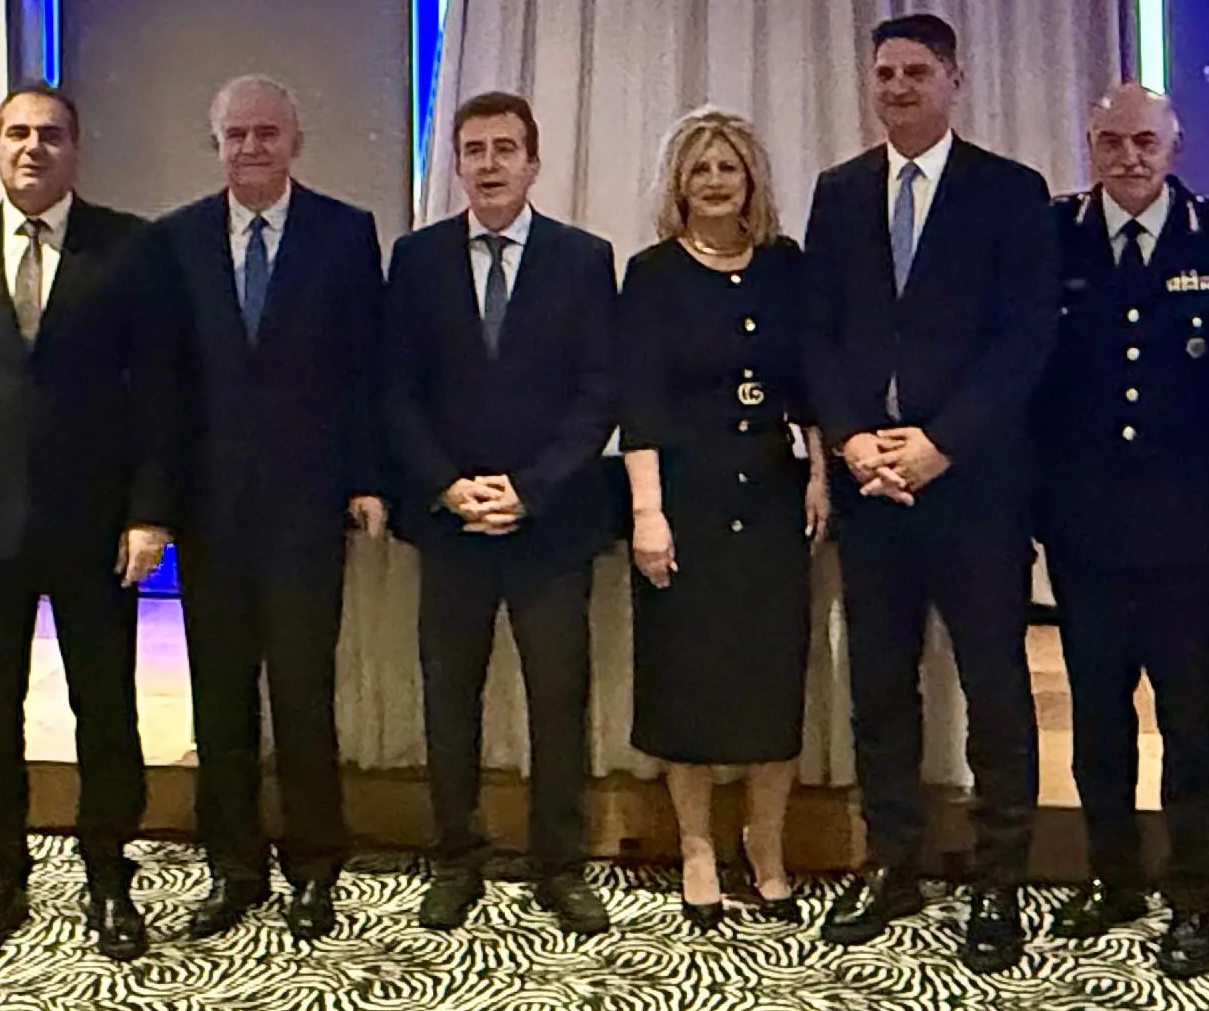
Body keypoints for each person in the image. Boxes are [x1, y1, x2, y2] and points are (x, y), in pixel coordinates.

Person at [0, 82, 180, 964]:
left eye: (50, 135)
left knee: (107, 709)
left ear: (75, 150)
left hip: (96, 526)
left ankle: (108, 872)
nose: (32, 148)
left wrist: (150, 513)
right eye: (16, 134)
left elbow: (161, 391)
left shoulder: (129, 246)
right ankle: (0, 875)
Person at [800, 12, 1057, 972]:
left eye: (917, 71)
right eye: (885, 73)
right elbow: (816, 333)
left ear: (955, 79)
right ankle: (892, 861)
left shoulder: (1010, 191)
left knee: (993, 684)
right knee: (879, 685)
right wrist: (853, 440)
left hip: (973, 484)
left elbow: (1026, 340)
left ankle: (999, 877)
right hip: (872, 485)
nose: (899, 87)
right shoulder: (839, 192)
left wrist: (940, 445)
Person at [1033, 82, 1209, 978]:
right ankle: (1113, 874)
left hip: (1186, 526)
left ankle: (1194, 890)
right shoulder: (1050, 237)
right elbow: (1031, 384)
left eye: (1144, 142)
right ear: (1089, 145)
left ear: (1174, 147)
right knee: (1098, 713)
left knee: (1189, 718)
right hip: (1083, 519)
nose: (1128, 157)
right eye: (1111, 142)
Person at [151, 75, 385, 944]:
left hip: (306, 505)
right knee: (219, 699)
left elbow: (366, 372)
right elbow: (163, 385)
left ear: (295, 140)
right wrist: (156, 505)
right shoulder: (174, 240)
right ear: (215, 144)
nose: (251, 147)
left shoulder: (344, 233)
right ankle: (233, 866)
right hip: (210, 511)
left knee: (302, 694)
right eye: (236, 134)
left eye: (266, 133)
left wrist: (367, 479)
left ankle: (315, 866)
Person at [386, 91, 619, 936]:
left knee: (558, 700)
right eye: (474, 149)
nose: (489, 164)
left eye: (505, 149)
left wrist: (530, 489)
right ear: (456, 163)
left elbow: (599, 393)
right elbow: (395, 392)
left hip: (549, 525)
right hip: (451, 525)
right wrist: (449, 486)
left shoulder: (583, 258)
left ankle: (560, 864)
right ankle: (456, 859)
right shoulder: (416, 259)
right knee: (450, 699)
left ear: (533, 161)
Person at [617, 107, 826, 931]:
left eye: (727, 167)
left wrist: (821, 475)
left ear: (750, 180)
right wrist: (648, 512)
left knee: (773, 680)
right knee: (689, 681)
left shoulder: (786, 267)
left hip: (773, 499)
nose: (714, 182)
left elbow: (809, 382)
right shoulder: (653, 274)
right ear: (679, 183)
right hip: (687, 504)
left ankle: (766, 846)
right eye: (699, 169)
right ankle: (698, 847)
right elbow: (640, 403)